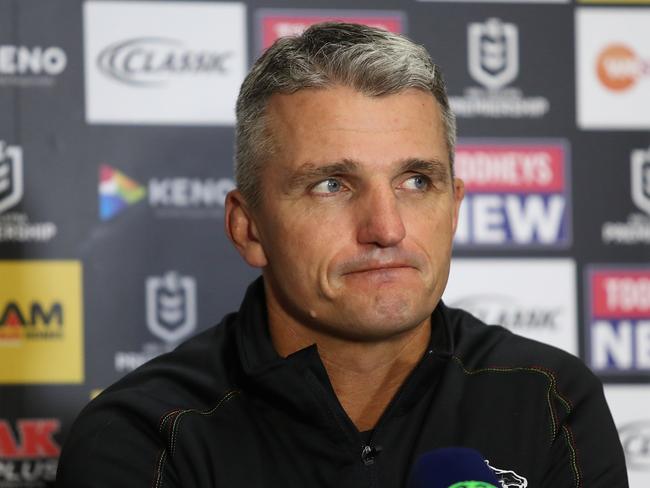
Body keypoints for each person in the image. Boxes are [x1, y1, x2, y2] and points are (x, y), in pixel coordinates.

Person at [57, 23, 627, 487]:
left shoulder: (549, 400)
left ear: (454, 208)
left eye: (416, 181)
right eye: (332, 184)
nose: (386, 228)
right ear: (249, 227)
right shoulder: (147, 435)